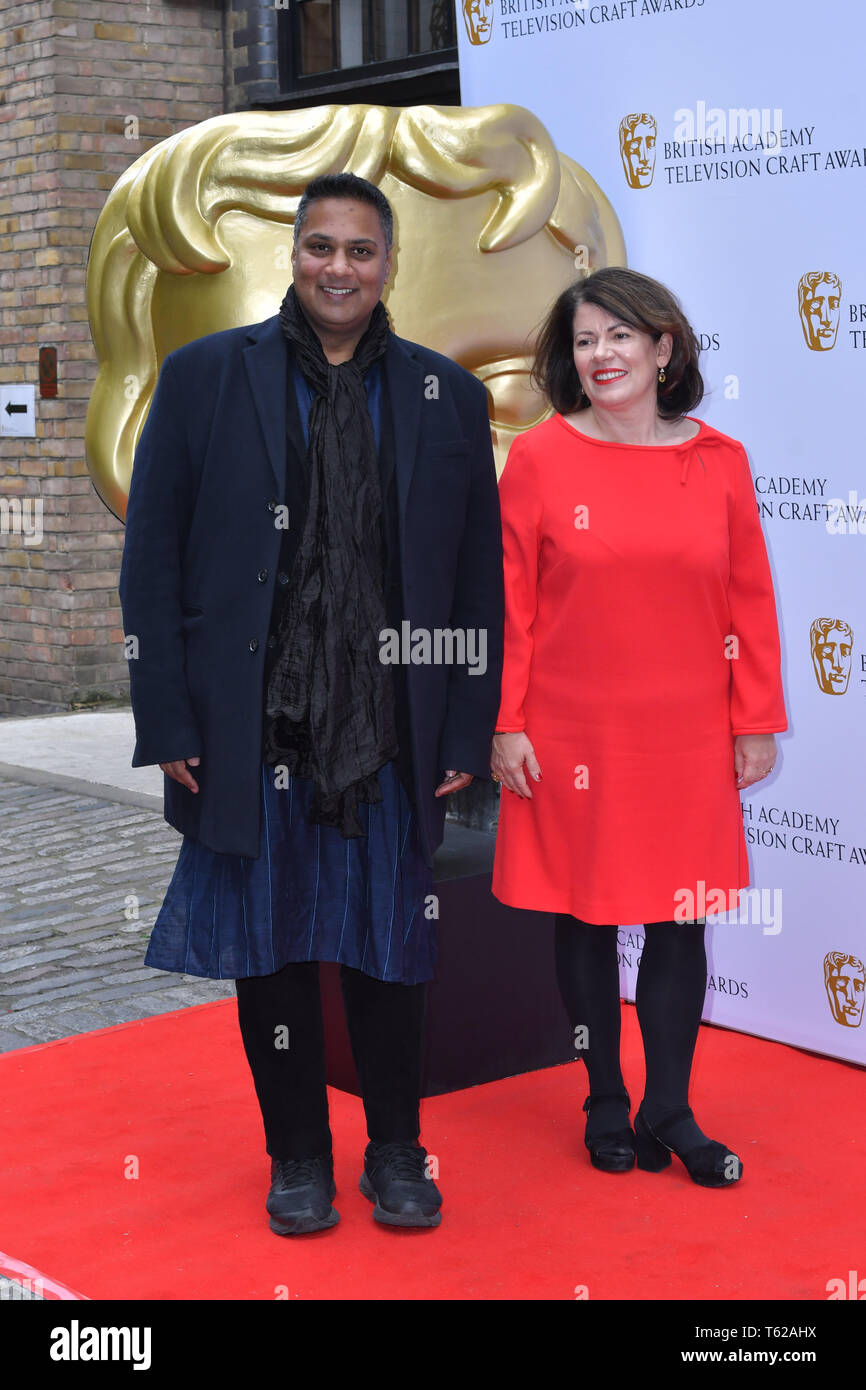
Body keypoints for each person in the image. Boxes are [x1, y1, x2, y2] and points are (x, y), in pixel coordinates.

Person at [119, 172, 503, 1233]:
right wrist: (170, 720)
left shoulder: (444, 397)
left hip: (388, 728)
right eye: (320, 247)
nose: (339, 268)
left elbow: (475, 579)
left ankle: (394, 1150)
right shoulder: (204, 378)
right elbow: (151, 559)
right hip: (254, 725)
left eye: (361, 252)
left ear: (389, 267)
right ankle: (297, 1157)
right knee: (272, 953)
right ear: (294, 254)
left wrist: (464, 723)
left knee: (391, 950)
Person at [490, 266, 786, 1186]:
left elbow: (750, 600)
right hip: (572, 732)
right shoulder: (540, 457)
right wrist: (505, 721)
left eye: (621, 336)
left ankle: (672, 1106)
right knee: (584, 917)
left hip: (689, 734)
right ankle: (606, 1100)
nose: (602, 355)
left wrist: (757, 720)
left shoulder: (722, 461)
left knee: (680, 922)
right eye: (585, 341)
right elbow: (512, 604)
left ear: (663, 349)